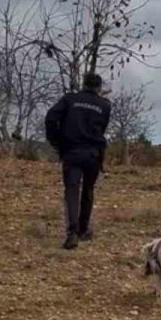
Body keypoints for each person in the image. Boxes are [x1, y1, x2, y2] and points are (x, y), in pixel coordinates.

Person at [45, 73, 111, 250]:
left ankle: (72, 233)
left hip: (72, 151)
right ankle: (83, 229)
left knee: (72, 191)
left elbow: (50, 118)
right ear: (99, 87)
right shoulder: (104, 105)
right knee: (88, 190)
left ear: (83, 84)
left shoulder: (70, 99)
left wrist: (56, 141)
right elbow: (102, 129)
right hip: (93, 154)